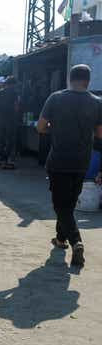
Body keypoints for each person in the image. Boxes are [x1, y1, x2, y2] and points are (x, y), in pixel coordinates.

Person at [38, 64, 102, 267]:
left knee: (60, 205)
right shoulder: (98, 103)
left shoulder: (55, 98)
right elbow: (100, 134)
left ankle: (76, 242)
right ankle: (60, 239)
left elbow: (41, 127)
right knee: (69, 204)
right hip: (82, 162)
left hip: (59, 160)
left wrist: (54, 129)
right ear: (88, 81)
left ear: (69, 78)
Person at [0, 76, 20, 169]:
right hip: (11, 120)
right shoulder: (15, 93)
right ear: (13, 84)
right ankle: (7, 161)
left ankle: (1, 160)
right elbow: (16, 107)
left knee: (1, 140)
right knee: (10, 140)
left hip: (0, 120)